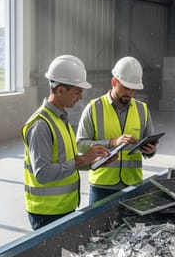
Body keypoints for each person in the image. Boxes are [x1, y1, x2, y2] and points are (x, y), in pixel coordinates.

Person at [23, 55, 111, 230]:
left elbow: (65, 161)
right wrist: (81, 159)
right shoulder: (41, 125)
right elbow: (43, 173)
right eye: (77, 92)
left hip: (64, 208)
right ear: (61, 90)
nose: (80, 97)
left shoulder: (60, 119)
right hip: (47, 214)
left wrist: (92, 161)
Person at [76, 56, 158, 204]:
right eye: (126, 88)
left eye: (133, 89)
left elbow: (149, 146)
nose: (130, 93)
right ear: (114, 82)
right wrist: (112, 142)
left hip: (133, 184)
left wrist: (150, 151)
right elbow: (80, 144)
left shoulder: (142, 109)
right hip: (102, 186)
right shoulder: (94, 108)